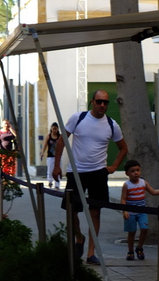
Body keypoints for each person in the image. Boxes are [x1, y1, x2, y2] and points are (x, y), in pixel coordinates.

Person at [52, 90, 128, 265]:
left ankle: (91, 252)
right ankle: (79, 237)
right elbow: (62, 140)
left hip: (98, 173)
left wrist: (114, 166)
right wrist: (56, 166)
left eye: (106, 103)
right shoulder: (78, 118)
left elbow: (123, 148)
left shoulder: (111, 124)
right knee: (71, 211)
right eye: (99, 101)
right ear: (92, 102)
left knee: (95, 212)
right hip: (76, 172)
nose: (103, 105)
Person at [120, 159, 159, 261]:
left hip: (142, 212)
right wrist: (124, 211)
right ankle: (130, 251)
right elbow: (123, 199)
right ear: (127, 173)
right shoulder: (126, 185)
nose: (136, 173)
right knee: (131, 232)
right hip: (130, 212)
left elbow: (153, 192)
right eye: (132, 171)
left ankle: (139, 247)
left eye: (137, 170)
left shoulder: (143, 182)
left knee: (144, 229)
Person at [42, 122, 61, 189]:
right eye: (53, 129)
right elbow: (45, 145)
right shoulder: (48, 136)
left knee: (58, 170)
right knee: (50, 170)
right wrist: (42, 153)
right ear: (51, 129)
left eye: (56, 129)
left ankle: (57, 184)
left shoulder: (60, 137)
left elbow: (63, 145)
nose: (54, 130)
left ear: (58, 129)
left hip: (58, 156)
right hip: (50, 156)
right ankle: (50, 181)